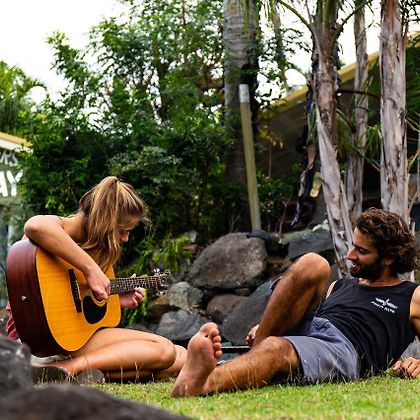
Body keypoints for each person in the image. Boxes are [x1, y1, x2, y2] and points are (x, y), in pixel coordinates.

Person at [171, 208, 420, 397]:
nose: (349, 255)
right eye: (353, 247)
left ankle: (205, 382)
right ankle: (257, 346)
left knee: (276, 349)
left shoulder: (411, 295)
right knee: (314, 263)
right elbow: (306, 320)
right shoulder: (339, 286)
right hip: (312, 331)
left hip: (343, 348)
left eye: (362, 252)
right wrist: (267, 325)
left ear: (389, 258)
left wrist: (416, 363)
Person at [6, 176, 186, 383]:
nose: (125, 238)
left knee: (181, 356)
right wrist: (91, 270)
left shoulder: (98, 251)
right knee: (164, 351)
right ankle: (61, 369)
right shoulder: (54, 232)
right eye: (122, 230)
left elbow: (78, 306)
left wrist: (114, 298)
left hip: (73, 340)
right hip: (42, 343)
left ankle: (70, 373)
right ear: (105, 221)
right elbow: (34, 225)